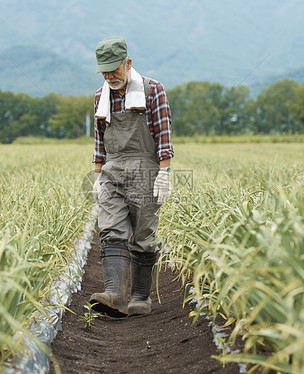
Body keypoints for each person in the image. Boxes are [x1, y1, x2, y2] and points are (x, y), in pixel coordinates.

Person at [89, 37, 174, 318]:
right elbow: (100, 142)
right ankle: (114, 294)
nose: (109, 76)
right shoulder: (101, 97)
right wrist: (97, 177)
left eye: (114, 69)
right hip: (112, 170)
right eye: (104, 71)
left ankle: (140, 295)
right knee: (110, 228)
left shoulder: (152, 90)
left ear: (128, 63)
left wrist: (164, 172)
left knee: (143, 235)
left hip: (145, 170)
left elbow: (163, 134)